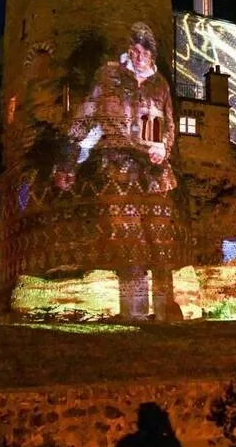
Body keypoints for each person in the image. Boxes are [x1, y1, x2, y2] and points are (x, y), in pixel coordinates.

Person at [50, 22, 187, 320]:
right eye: (134, 50)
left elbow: (169, 125)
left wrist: (163, 147)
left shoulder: (160, 85)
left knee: (161, 242)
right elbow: (85, 117)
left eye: (144, 52)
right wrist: (67, 162)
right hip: (117, 168)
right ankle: (134, 312)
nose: (138, 57)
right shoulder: (108, 75)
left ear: (152, 54)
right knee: (129, 242)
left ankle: (165, 309)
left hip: (155, 174)